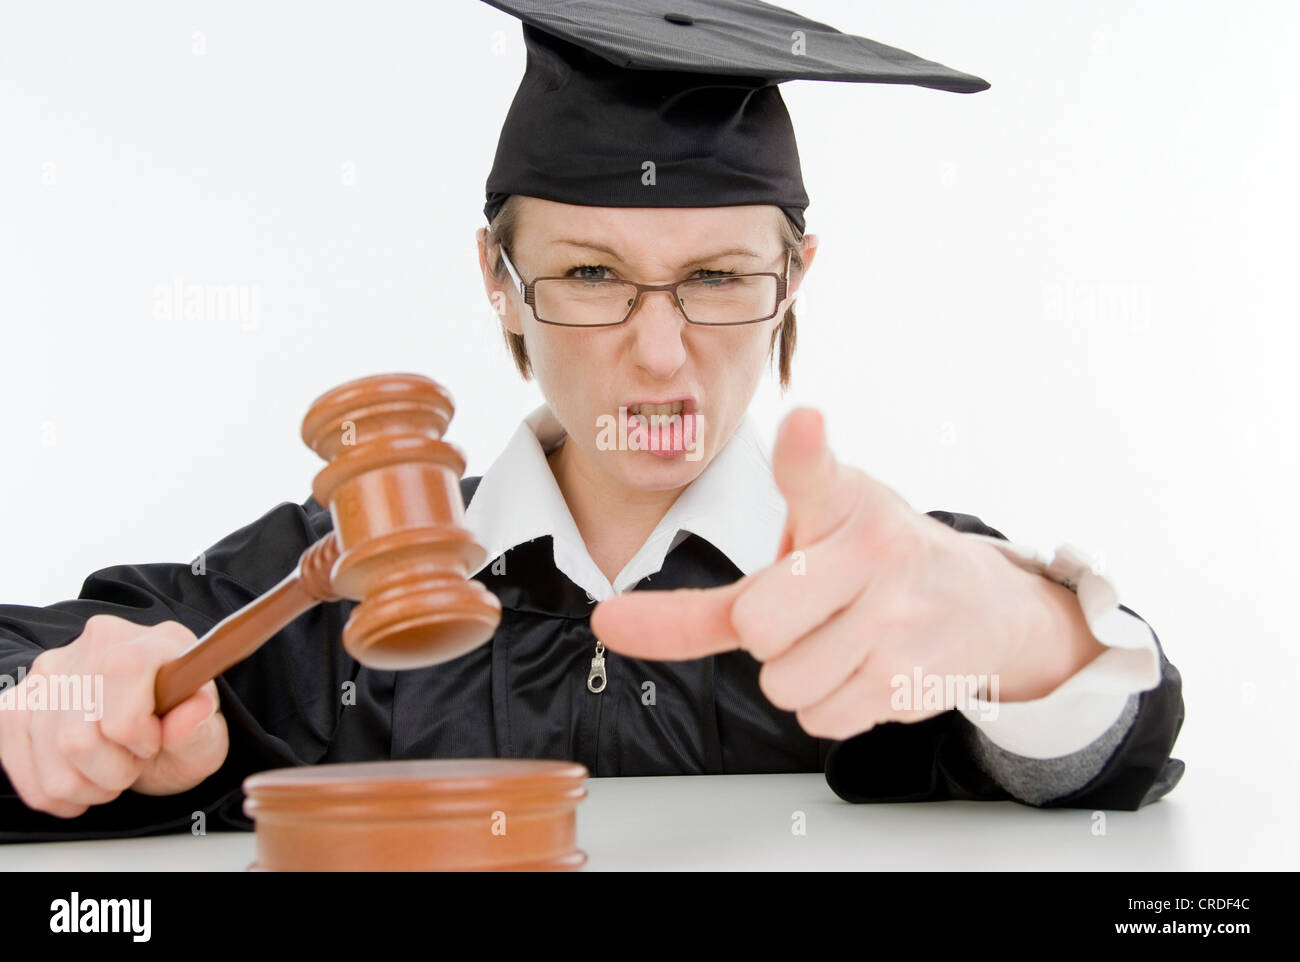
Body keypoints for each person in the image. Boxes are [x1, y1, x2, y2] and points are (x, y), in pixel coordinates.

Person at [0, 0, 1183, 841]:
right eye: (590, 274)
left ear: (796, 277)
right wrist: (65, 708)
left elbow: (1091, 756)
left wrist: (1035, 640)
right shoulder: (329, 588)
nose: (658, 352)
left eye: (719, 277)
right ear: (498, 277)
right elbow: (38, 669)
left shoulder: (872, 595)